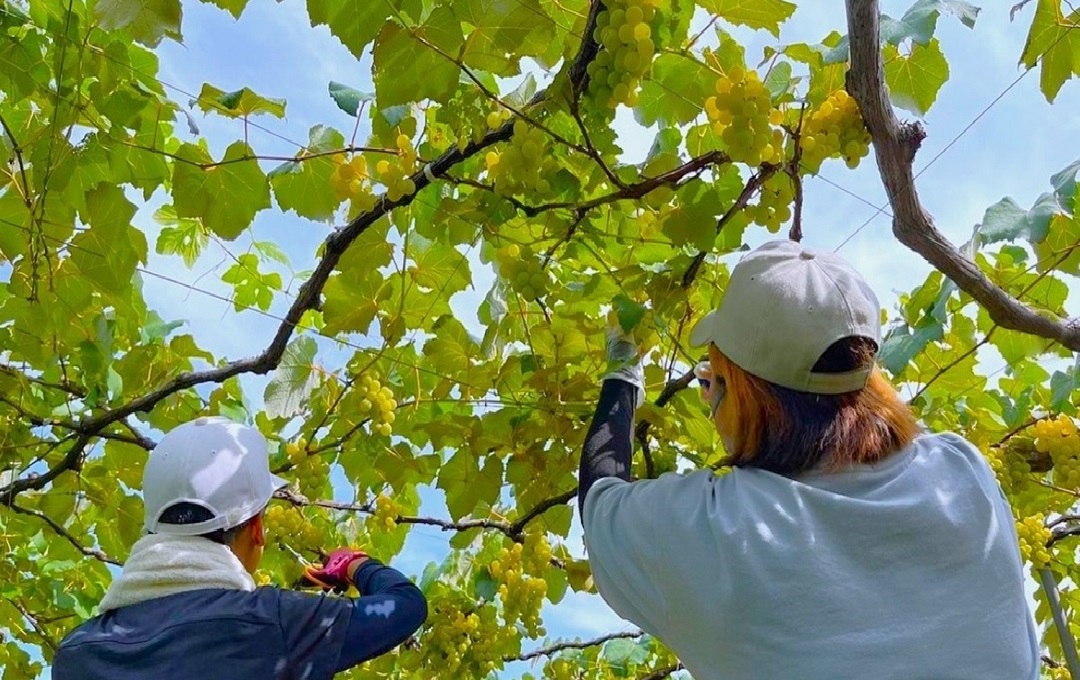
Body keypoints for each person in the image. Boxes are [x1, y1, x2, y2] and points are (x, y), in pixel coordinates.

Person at [578, 239, 1040, 680]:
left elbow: (600, 499)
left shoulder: (722, 531)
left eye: (715, 378)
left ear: (742, 395)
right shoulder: (962, 470)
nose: (707, 393)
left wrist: (622, 372)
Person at [53, 416, 427, 679]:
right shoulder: (272, 622)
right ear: (257, 529)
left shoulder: (76, 652)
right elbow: (405, 607)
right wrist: (355, 565)